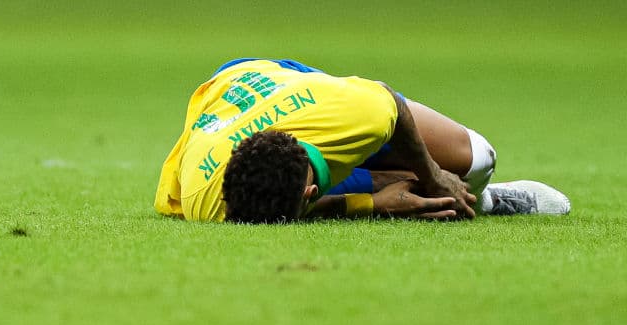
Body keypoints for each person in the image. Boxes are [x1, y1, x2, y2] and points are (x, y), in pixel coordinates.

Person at [155, 58, 570, 223]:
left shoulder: (354, 115)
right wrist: (372, 203)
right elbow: (284, 211)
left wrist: (433, 175)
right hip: (226, 101)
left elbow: (391, 103)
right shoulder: (204, 199)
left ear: (311, 191)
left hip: (264, 75)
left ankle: (481, 193)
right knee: (399, 188)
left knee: (476, 159)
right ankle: (490, 202)